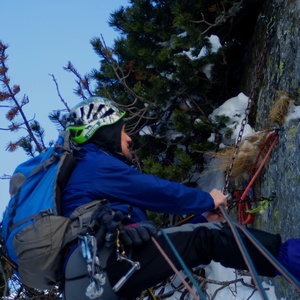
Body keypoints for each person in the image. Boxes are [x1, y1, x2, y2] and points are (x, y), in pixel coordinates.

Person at [62, 96, 300, 300]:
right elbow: (154, 191)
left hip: (88, 280)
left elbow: (163, 243)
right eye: (123, 130)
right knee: (211, 238)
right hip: (98, 268)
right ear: (106, 131)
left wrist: (202, 219)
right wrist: (207, 200)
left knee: (204, 234)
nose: (129, 138)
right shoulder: (95, 165)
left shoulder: (89, 176)